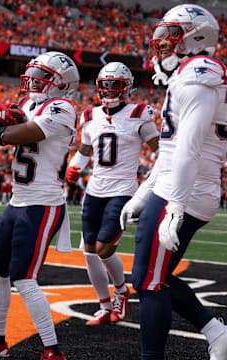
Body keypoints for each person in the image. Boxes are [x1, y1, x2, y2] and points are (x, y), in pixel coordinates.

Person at [119, 4, 227, 359]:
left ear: (195, 37)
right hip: (181, 184)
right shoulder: (188, 73)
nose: (161, 46)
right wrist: (142, 193)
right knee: (156, 275)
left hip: (186, 188)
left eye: (171, 38)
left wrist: (174, 204)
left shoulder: (199, 72)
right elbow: (170, 152)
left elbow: (189, 148)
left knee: (148, 283)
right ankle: (217, 334)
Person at [0, 51, 80, 360]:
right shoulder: (30, 104)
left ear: (60, 83)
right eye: (33, 74)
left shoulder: (62, 107)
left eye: (42, 77)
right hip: (18, 201)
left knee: (24, 277)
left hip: (43, 204)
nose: (33, 81)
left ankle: (53, 350)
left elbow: (21, 133)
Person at [66, 62, 159, 326]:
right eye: (104, 85)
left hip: (123, 190)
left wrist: (153, 181)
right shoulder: (90, 116)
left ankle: (120, 290)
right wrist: (73, 168)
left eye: (114, 85)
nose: (108, 90)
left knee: (105, 247)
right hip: (95, 190)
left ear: (126, 87)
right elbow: (85, 152)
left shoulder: (139, 113)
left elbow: (159, 150)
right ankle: (104, 305)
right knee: (89, 249)